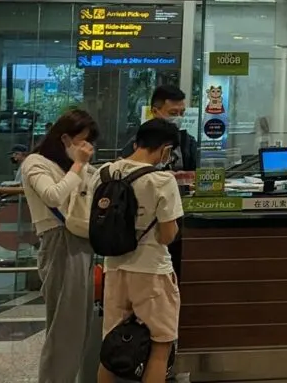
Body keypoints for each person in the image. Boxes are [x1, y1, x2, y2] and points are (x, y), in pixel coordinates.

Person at [98, 119, 184, 383]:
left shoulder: (104, 172)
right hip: (152, 272)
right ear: (166, 150)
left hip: (114, 268)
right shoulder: (162, 181)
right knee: (160, 347)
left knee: (111, 348)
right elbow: (168, 235)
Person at [20, 109, 100, 383]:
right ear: (64, 138)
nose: (87, 148)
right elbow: (53, 196)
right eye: (82, 141)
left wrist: (81, 167)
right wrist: (78, 165)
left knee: (80, 324)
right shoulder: (36, 163)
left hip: (82, 241)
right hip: (58, 241)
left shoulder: (71, 166)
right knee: (64, 326)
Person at [122, 85, 197, 172]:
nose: (179, 118)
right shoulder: (139, 142)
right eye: (173, 113)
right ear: (155, 111)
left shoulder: (188, 143)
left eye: (182, 113)